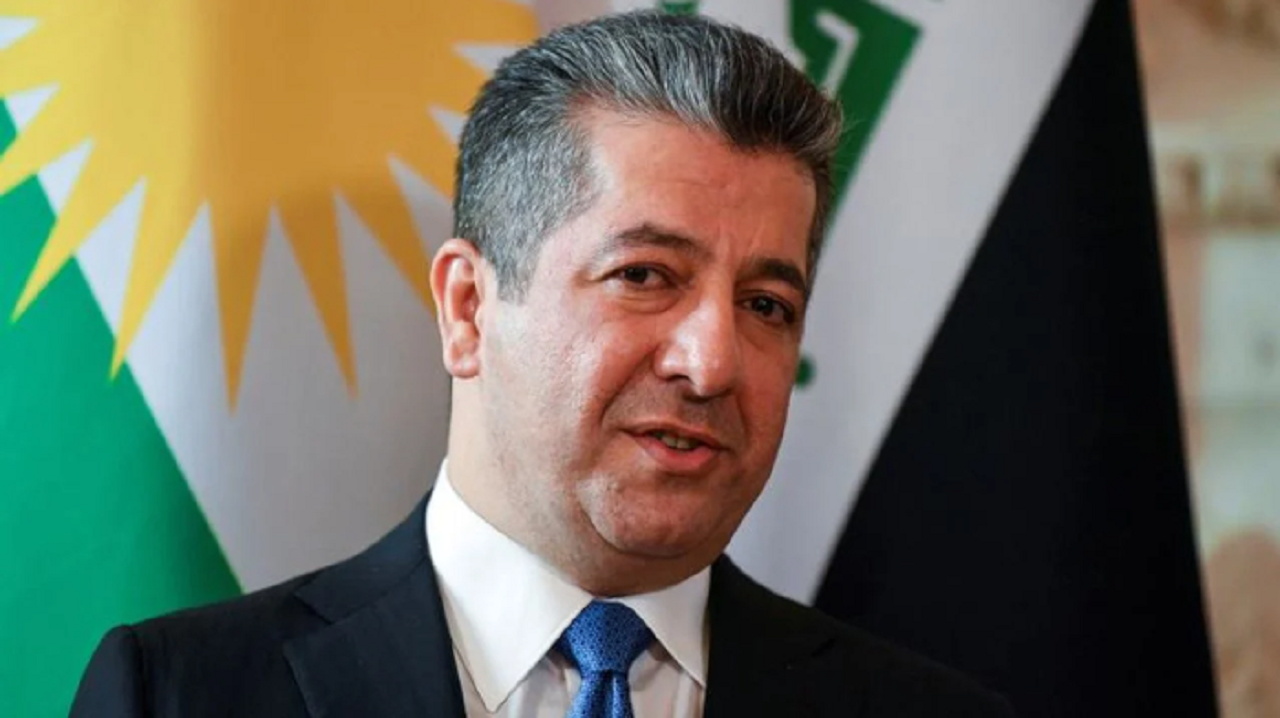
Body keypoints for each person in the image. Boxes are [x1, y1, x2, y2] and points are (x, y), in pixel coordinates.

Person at [71, 11, 1013, 717]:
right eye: (645, 275)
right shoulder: (182, 694)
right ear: (468, 309)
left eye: (767, 305)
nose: (712, 362)